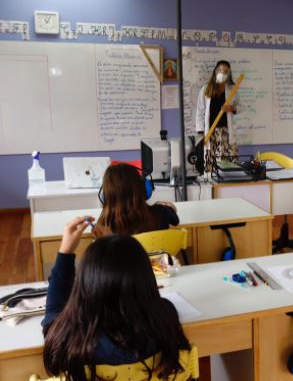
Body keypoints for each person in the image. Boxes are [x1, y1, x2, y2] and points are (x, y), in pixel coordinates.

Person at [42, 217, 191, 380]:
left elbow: (53, 313)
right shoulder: (165, 316)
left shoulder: (69, 336)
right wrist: (116, 249)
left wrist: (65, 252)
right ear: (146, 279)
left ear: (84, 286)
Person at [97, 163, 179, 235]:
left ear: (106, 196)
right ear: (143, 189)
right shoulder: (160, 214)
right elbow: (175, 220)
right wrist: (167, 207)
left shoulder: (104, 226)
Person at [194, 60, 240, 171]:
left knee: (228, 162)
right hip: (210, 132)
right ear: (215, 71)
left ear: (229, 74)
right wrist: (201, 133)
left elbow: (240, 106)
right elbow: (200, 111)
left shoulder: (232, 90)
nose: (222, 73)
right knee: (210, 162)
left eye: (225, 71)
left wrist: (232, 108)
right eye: (220, 70)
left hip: (226, 132)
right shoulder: (206, 89)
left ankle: (229, 183)